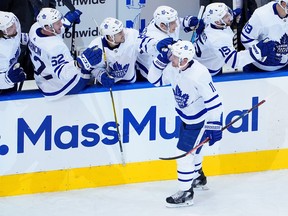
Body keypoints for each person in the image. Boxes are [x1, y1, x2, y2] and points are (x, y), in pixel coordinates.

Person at [148, 40, 223, 207]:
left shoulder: (199, 73)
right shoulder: (174, 68)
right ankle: (197, 177)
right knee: (192, 152)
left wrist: (214, 125)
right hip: (186, 118)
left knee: (183, 154)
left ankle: (186, 193)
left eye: (174, 57)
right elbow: (154, 80)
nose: (171, 58)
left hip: (199, 121)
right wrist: (159, 62)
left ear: (184, 60)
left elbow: (214, 102)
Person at [28, 7, 102, 100]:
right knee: (90, 67)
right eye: (58, 23)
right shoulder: (55, 47)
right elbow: (64, 74)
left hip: (43, 81)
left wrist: (67, 22)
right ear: (47, 27)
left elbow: (53, 33)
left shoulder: (35, 28)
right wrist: (80, 63)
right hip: (59, 87)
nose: (61, 24)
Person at [193, 2, 277, 76]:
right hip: (207, 71)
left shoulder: (209, 22)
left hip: (201, 61)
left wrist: (230, 15)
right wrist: (258, 51)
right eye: (226, 16)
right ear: (217, 22)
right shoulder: (217, 39)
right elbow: (235, 61)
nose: (230, 16)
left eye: (228, 13)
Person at [136, 5, 205, 80]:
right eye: (172, 23)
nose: (176, 24)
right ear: (162, 26)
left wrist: (189, 22)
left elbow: (179, 22)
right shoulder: (153, 35)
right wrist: (156, 45)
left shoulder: (162, 22)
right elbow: (142, 43)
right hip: (149, 73)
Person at [0, 0, 57, 81]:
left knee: (38, 76)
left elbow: (50, 6)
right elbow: (2, 13)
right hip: (16, 37)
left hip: (40, 36)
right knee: (12, 77)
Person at [88, 17, 142, 88]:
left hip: (131, 83)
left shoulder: (131, 35)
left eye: (122, 30)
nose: (123, 34)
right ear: (110, 37)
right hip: (110, 86)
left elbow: (144, 43)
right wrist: (101, 76)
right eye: (119, 33)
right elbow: (94, 68)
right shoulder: (96, 46)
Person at [241, 0, 288, 72]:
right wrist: (261, 55)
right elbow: (245, 37)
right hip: (259, 68)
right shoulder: (261, 14)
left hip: (284, 66)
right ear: (284, 4)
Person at [0, 11, 26, 94]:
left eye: (13, 24)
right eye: (10, 28)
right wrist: (6, 80)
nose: (15, 27)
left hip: (11, 69)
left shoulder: (11, 18)